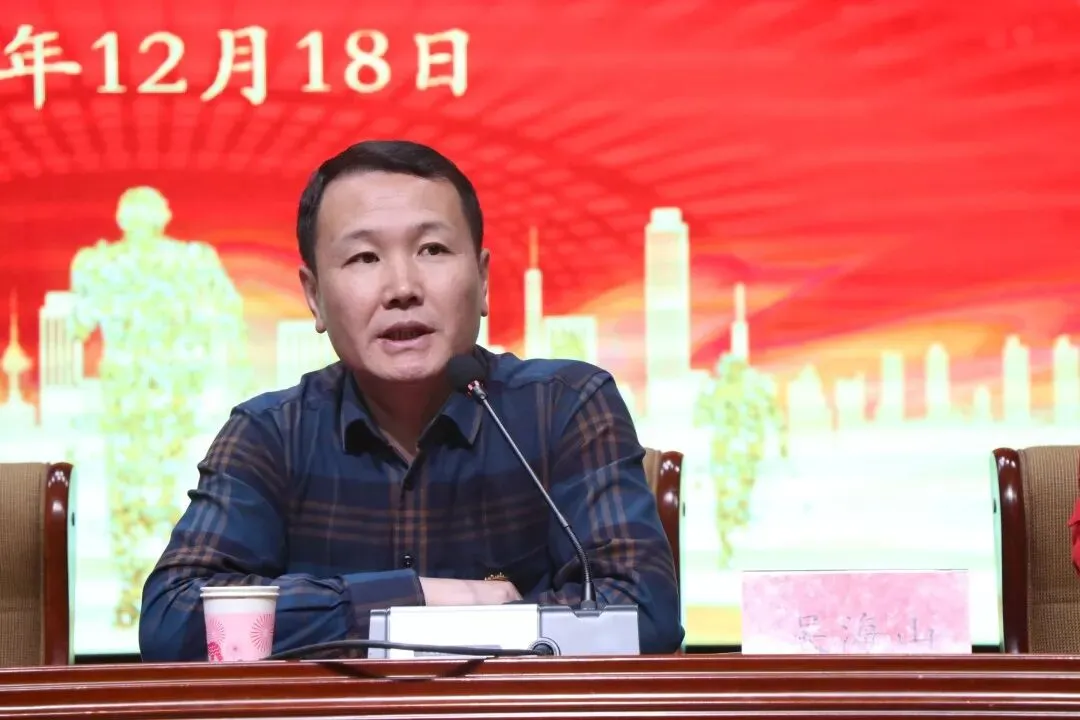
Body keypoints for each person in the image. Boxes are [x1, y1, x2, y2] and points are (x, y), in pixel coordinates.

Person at [139, 140, 684, 661]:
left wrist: (369, 624)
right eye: (364, 257)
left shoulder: (565, 408)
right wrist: (420, 595)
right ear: (314, 297)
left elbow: (639, 614)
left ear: (483, 280)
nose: (402, 287)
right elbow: (174, 619)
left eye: (432, 250)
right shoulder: (270, 434)